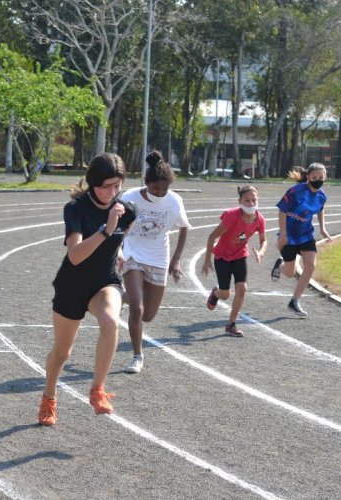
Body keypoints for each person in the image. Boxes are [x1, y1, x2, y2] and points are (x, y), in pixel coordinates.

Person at [39, 153, 136, 426]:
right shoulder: (76, 209)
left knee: (110, 321)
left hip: (104, 282)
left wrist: (118, 251)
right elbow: (75, 256)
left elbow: (123, 235)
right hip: (72, 285)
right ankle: (49, 398)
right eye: (106, 186)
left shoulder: (126, 210)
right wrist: (106, 231)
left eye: (117, 185)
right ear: (93, 183)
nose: (112, 192)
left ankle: (97, 390)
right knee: (62, 353)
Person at [119, 150, 191, 374]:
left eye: (164, 189)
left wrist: (176, 261)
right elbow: (116, 225)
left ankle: (114, 296)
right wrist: (118, 250)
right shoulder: (130, 196)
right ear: (146, 183)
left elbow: (184, 227)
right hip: (133, 254)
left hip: (159, 256)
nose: (159, 193)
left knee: (148, 315)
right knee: (137, 309)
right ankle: (137, 356)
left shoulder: (174, 201)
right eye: (155, 188)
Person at [201, 185, 267, 337]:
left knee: (242, 288)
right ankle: (216, 293)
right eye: (247, 200)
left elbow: (264, 240)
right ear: (240, 201)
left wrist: (261, 252)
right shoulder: (232, 216)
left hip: (240, 256)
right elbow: (212, 237)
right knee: (225, 295)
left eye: (254, 200)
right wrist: (207, 260)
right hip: (222, 257)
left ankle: (231, 324)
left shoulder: (259, 219)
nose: (251, 204)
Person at [270, 163, 333, 317]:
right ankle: (281, 264)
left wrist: (322, 228)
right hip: (289, 235)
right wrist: (283, 233)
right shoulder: (295, 191)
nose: (317, 180)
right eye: (314, 177)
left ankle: (294, 301)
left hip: (305, 234)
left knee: (310, 266)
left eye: (320, 177)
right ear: (308, 177)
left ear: (325, 177)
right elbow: (282, 210)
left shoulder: (322, 196)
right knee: (290, 273)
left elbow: (320, 209)